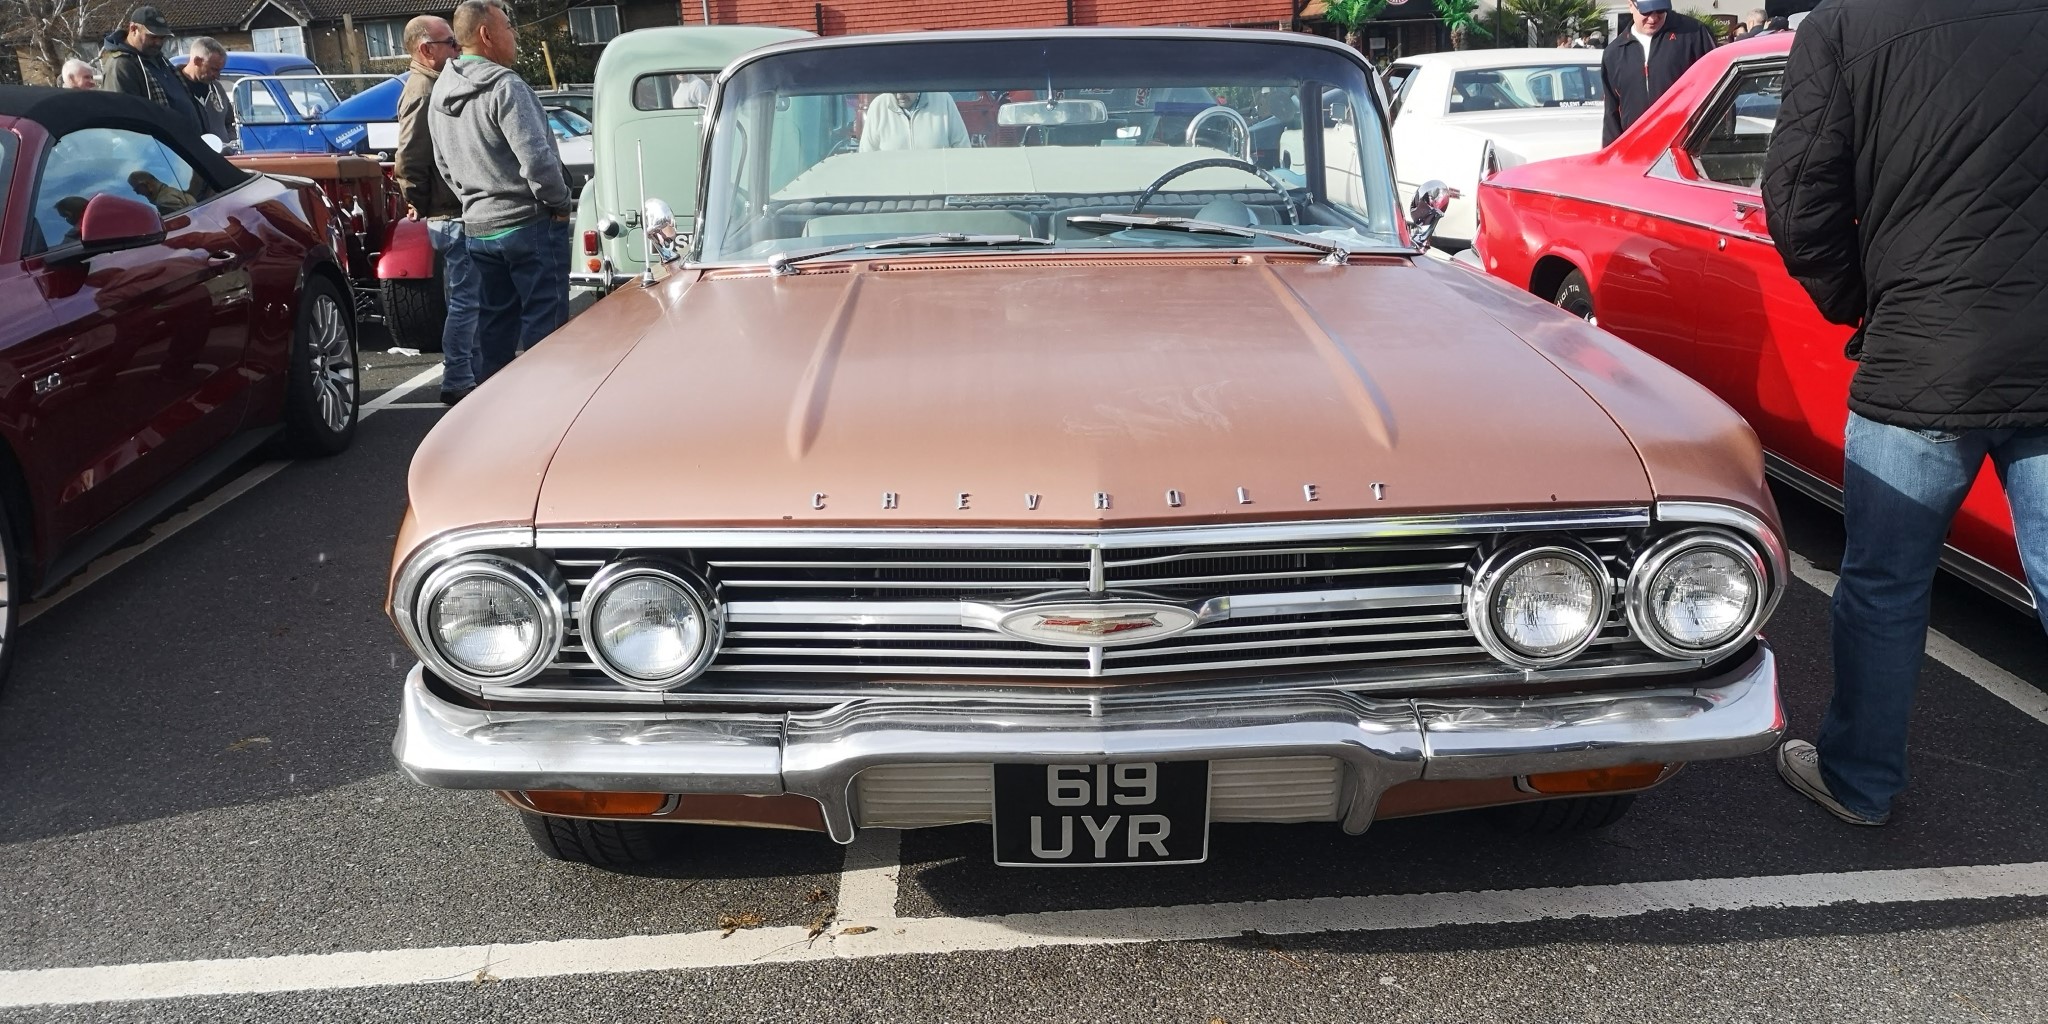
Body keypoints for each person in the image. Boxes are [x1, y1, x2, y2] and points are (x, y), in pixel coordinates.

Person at [1762, 0, 2048, 827]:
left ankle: (1858, 781)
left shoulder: (1848, 22)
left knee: (1886, 583)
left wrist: (1862, 303)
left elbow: (1799, 199)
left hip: (1924, 351)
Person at [430, 0, 571, 382]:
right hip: (528, 223)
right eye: (508, 27)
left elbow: (444, 163)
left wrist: (472, 201)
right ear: (486, 34)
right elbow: (537, 161)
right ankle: (547, 406)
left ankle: (494, 409)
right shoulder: (506, 86)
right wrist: (560, 203)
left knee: (494, 328)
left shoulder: (441, 90)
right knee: (546, 329)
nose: (514, 35)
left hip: (479, 228)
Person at [396, 14, 482, 405]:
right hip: (448, 213)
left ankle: (472, 373)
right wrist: (415, 199)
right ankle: (459, 376)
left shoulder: (433, 83)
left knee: (468, 298)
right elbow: (409, 153)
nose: (457, 48)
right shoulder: (423, 90)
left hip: (449, 211)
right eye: (450, 43)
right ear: (426, 50)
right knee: (466, 300)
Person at [1599, 0, 1717, 145]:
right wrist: (1611, 153)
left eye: (1660, 10)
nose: (1653, 18)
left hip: (1686, 146)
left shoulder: (1694, 33)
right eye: (1646, 12)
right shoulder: (1614, 53)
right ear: (1631, 5)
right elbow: (1611, 113)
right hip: (1637, 148)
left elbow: (1718, 87)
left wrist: (1716, 145)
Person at [97, 6, 200, 132]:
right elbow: (123, 117)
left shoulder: (160, 59)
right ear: (133, 29)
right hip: (156, 141)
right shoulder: (121, 64)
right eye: (153, 37)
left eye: (162, 38)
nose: (158, 43)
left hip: (183, 139)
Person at [859, 91, 969, 151]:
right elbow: (866, 156)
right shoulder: (878, 106)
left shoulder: (943, 100)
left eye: (904, 89)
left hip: (937, 185)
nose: (899, 95)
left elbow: (962, 148)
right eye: (894, 90)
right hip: (892, 186)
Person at [180, 37, 235, 146]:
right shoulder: (173, 87)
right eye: (214, 69)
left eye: (219, 70)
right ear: (197, 61)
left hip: (221, 154)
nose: (217, 76)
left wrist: (230, 142)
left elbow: (229, 122)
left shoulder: (217, 88)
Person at [128, 170, 196, 214]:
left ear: (148, 184)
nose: (137, 193)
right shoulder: (172, 191)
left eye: (137, 189)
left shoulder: (164, 202)